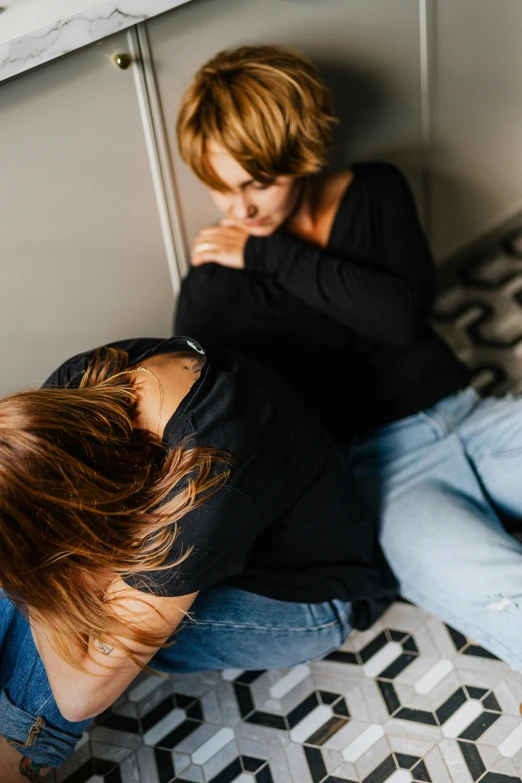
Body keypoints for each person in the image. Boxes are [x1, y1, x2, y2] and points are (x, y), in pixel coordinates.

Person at [174, 44, 522, 672]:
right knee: (506, 595)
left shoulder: (374, 192)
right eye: (222, 190)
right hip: (385, 478)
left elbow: (398, 317)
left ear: (301, 154)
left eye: (258, 184)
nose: (240, 210)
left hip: (469, 416)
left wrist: (269, 254)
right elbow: (217, 430)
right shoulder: (212, 289)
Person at [0, 335, 396, 780]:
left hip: (308, 599)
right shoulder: (70, 398)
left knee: (61, 610)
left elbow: (78, 698)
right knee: (36, 583)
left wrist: (38, 585)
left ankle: (15, 754)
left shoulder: (197, 487)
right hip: (222, 540)